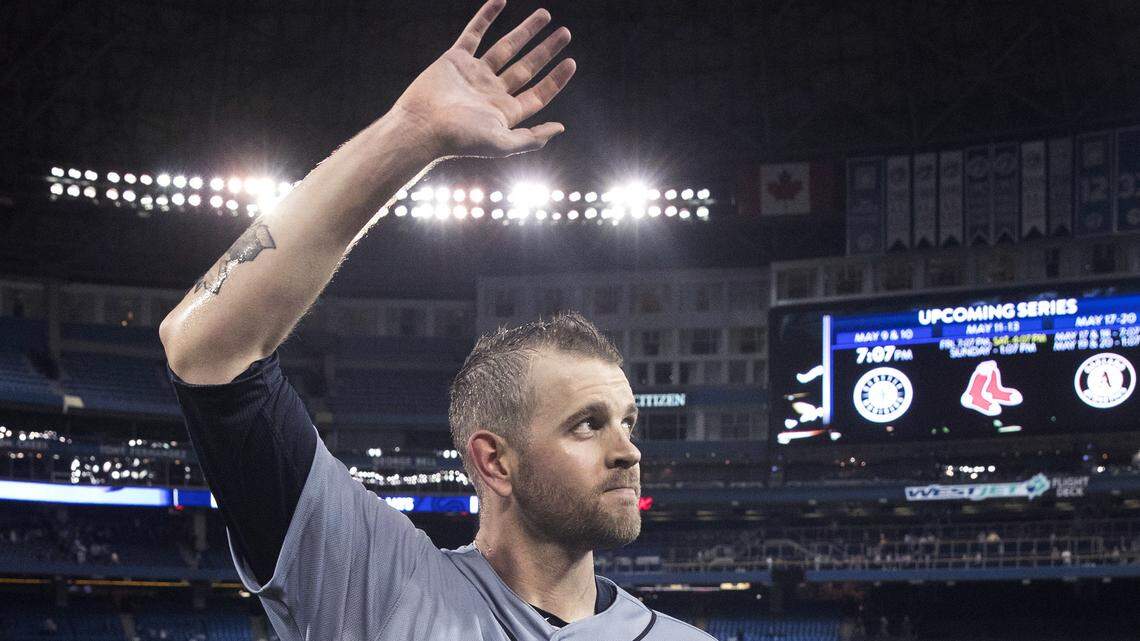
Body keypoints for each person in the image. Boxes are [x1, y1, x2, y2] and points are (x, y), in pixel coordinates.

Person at [159, 1, 713, 639]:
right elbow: (205, 349)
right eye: (587, 425)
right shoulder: (378, 586)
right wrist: (411, 134)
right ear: (494, 461)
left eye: (626, 422)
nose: (628, 452)